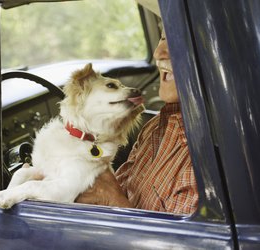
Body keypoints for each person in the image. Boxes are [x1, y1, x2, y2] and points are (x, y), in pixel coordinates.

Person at [75, 30, 199, 215]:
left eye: (177, 40)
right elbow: (122, 185)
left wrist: (113, 199)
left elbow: (174, 242)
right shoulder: (154, 126)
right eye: (163, 37)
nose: (159, 52)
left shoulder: (203, 164)